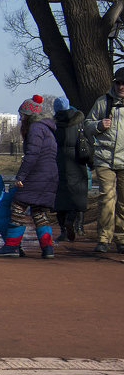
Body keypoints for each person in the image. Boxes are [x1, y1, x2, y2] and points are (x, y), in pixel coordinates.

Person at [0, 95, 58, 258]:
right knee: (39, 212)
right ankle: (48, 248)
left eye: (22, 115)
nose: (20, 118)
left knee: (17, 206)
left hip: (37, 174)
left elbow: (32, 154)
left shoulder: (35, 128)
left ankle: (12, 246)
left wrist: (20, 176)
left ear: (28, 115)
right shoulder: (47, 129)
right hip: (50, 175)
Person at [83, 68, 124, 253]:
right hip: (105, 159)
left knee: (123, 202)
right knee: (107, 198)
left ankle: (121, 238)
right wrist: (98, 125)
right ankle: (103, 239)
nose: (121, 86)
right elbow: (86, 126)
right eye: (118, 83)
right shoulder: (103, 102)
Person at [53, 97, 93, 242]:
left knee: (59, 200)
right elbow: (87, 144)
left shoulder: (54, 125)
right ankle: (73, 222)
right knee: (76, 199)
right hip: (77, 165)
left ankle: (63, 230)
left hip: (58, 166)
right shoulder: (78, 123)